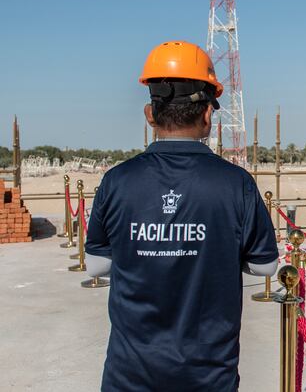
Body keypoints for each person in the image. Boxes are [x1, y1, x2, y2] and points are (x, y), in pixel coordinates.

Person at [85, 41, 280, 391]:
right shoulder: (236, 184)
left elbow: (96, 265)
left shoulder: (117, 181)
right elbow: (265, 266)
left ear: (150, 114)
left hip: (130, 376)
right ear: (207, 114)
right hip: (207, 376)